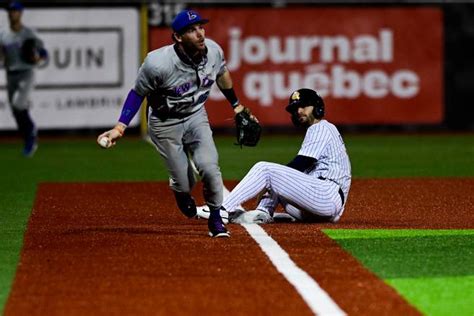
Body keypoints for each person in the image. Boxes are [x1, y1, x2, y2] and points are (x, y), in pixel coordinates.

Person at [97, 9, 258, 238]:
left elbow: (222, 73)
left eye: (201, 27)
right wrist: (120, 127)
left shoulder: (213, 51)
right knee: (184, 183)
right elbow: (137, 93)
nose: (200, 33)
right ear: (178, 37)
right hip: (165, 123)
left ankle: (215, 218)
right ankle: (181, 191)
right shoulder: (157, 63)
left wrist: (237, 105)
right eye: (191, 30)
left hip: (195, 116)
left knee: (210, 167)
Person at [218, 88, 351, 229]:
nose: (298, 111)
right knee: (278, 176)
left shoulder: (321, 127)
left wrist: (267, 182)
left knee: (265, 169)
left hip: (326, 196)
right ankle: (262, 213)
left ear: (317, 106)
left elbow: (301, 163)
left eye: (303, 106)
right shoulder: (322, 129)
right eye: (295, 109)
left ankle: (222, 210)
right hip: (319, 205)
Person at [0, 1, 47, 157]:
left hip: (26, 73)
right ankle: (28, 137)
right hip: (11, 73)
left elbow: (43, 54)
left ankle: (31, 131)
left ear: (20, 13)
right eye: (10, 11)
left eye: (15, 11)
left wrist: (38, 58)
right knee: (16, 110)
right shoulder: (3, 34)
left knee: (18, 104)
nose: (12, 13)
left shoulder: (28, 34)